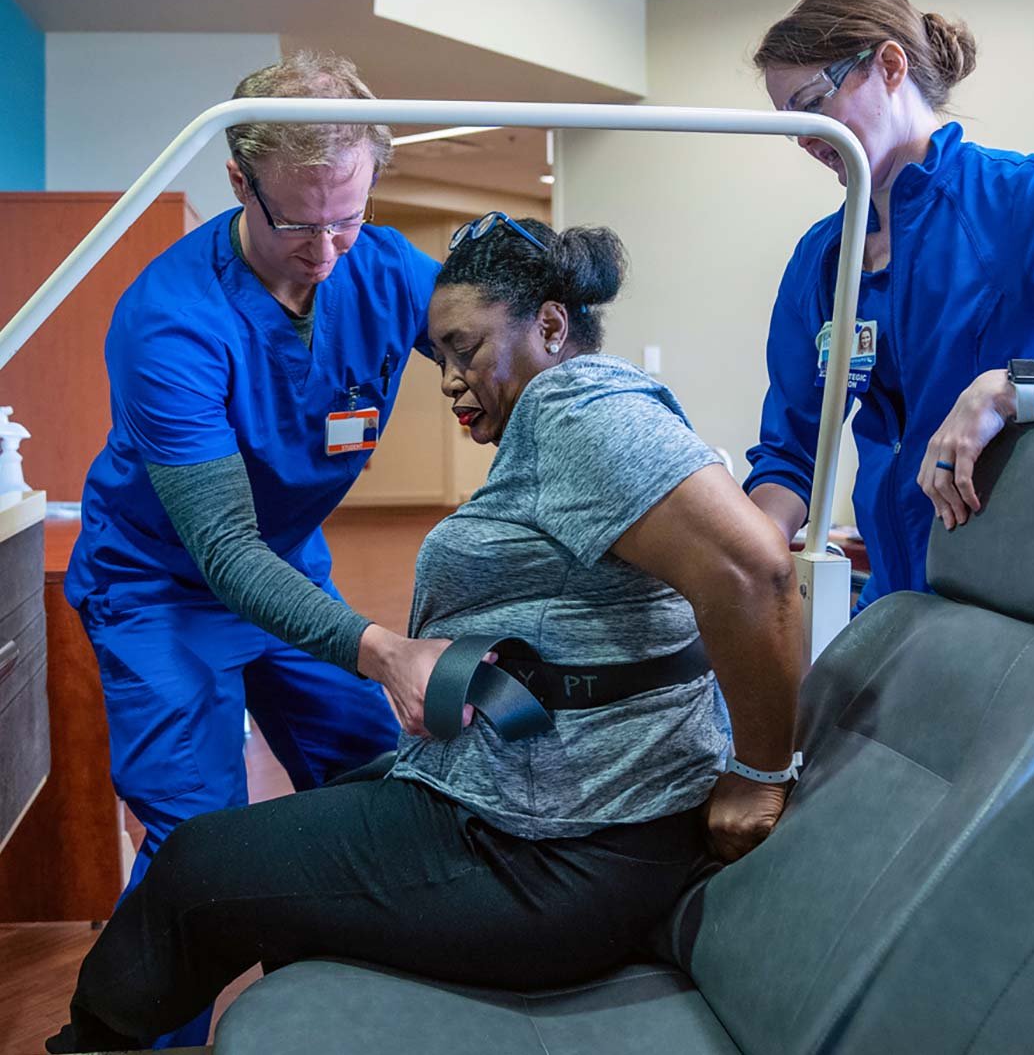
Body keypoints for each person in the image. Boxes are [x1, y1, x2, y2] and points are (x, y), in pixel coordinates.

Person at [46, 214, 803, 1053]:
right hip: (553, 810)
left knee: (194, 870)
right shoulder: (573, 412)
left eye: (465, 348)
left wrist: (758, 774)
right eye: (437, 353)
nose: (445, 376)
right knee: (311, 820)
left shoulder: (579, 409)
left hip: (558, 852)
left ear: (551, 327)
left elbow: (757, 573)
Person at [62, 52, 444, 1046]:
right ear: (238, 183)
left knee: (368, 779)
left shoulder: (386, 267)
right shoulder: (169, 320)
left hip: (286, 554)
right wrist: (381, 646)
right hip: (161, 585)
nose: (324, 251)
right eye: (295, 221)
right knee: (201, 845)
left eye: (346, 217)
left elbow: (507, 348)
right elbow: (223, 547)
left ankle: (339, 1012)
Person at [744, 0, 1034, 609]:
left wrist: (1010, 392)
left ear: (888, 65)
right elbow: (791, 458)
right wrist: (735, 560)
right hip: (895, 602)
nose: (803, 139)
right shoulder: (823, 261)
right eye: (788, 121)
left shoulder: (1032, 201)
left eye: (813, 104)